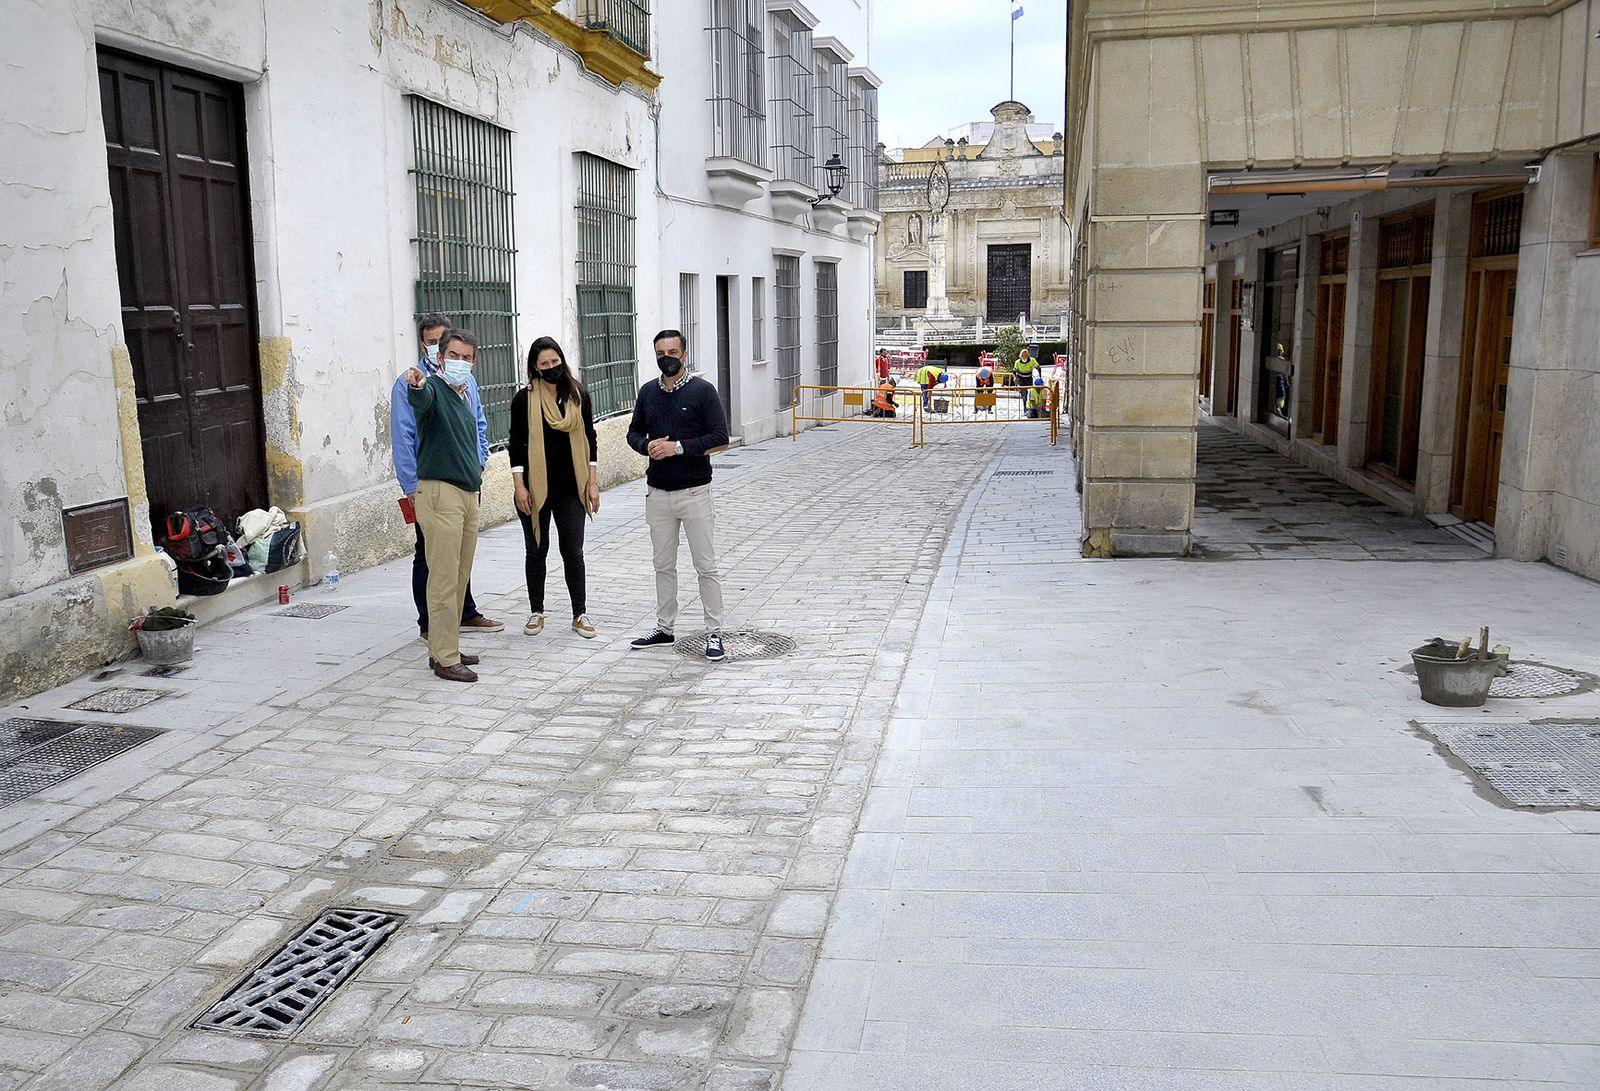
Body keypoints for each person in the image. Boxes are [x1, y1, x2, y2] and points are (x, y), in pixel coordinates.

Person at [391, 313, 503, 644]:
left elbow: (478, 424)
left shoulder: (466, 382)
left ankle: (462, 616)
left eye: (465, 356)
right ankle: (431, 627)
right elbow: (405, 434)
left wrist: (478, 463)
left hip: (467, 483)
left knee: (459, 560)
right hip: (434, 487)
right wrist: (411, 486)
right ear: (433, 350)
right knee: (432, 558)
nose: (456, 359)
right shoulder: (418, 383)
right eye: (438, 344)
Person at [627, 330, 731, 663]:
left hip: (694, 492)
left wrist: (680, 448)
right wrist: (647, 446)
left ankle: (714, 632)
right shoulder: (647, 393)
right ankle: (664, 628)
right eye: (660, 352)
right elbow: (633, 432)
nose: (667, 357)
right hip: (658, 493)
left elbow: (720, 437)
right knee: (663, 565)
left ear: (684, 354)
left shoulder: (703, 392)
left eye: (673, 351)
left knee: (705, 564)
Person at [403, 328, 486, 683]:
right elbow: (420, 401)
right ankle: (444, 657)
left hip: (467, 493)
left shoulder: (463, 393)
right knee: (442, 577)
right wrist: (417, 386)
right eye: (454, 356)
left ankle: (445, 644)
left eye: (467, 358)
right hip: (440, 493)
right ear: (440, 357)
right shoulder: (435, 388)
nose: (460, 362)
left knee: (459, 575)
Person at [510, 336, 600, 640]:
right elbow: (517, 445)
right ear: (534, 368)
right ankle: (536, 611)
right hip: (535, 489)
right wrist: (519, 487)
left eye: (555, 362)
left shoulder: (578, 395)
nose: (551, 368)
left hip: (572, 488)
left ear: (562, 360)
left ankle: (580, 614)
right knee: (536, 550)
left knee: (573, 551)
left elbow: (590, 438)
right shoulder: (524, 400)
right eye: (544, 364)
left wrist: (593, 484)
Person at [1011, 346, 1040, 414]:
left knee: (1030, 395)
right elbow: (1014, 371)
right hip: (1021, 379)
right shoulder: (1017, 362)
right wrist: (1015, 379)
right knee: (1024, 396)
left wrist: (1039, 376)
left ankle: (1030, 408)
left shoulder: (1032, 360)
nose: (1024, 359)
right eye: (1022, 357)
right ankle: (1025, 409)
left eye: (1025, 357)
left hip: (1029, 379)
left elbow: (1038, 368)